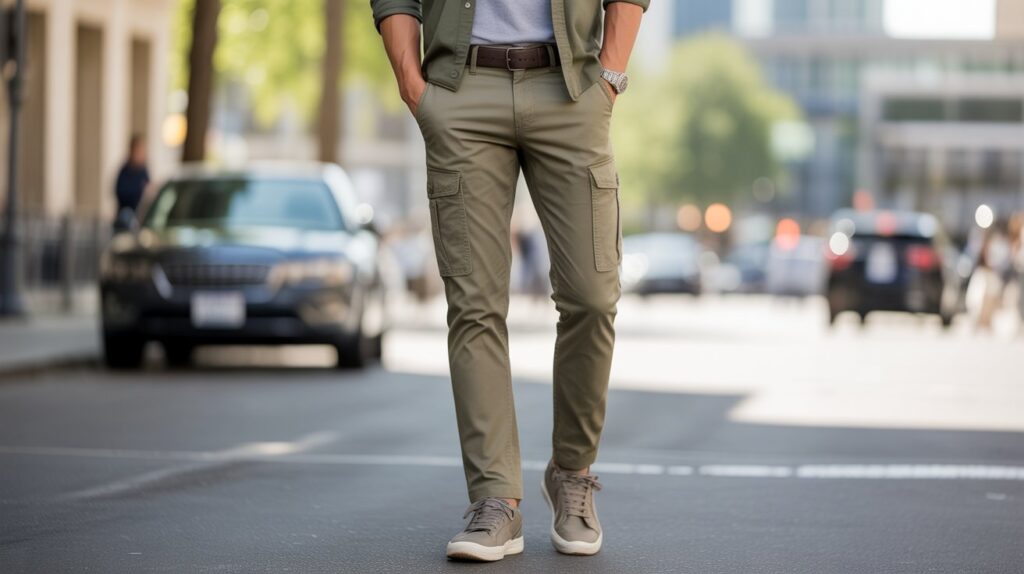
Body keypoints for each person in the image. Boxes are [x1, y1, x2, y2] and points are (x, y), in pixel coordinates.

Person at [371, 0, 645, 562]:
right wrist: (411, 83)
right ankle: (495, 498)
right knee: (474, 305)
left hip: (572, 89)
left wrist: (610, 77)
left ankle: (572, 472)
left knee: (593, 296)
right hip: (460, 88)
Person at [114, 134, 150, 215]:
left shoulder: (143, 171)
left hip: (141, 215)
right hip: (127, 214)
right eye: (139, 151)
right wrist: (141, 190)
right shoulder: (125, 171)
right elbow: (121, 194)